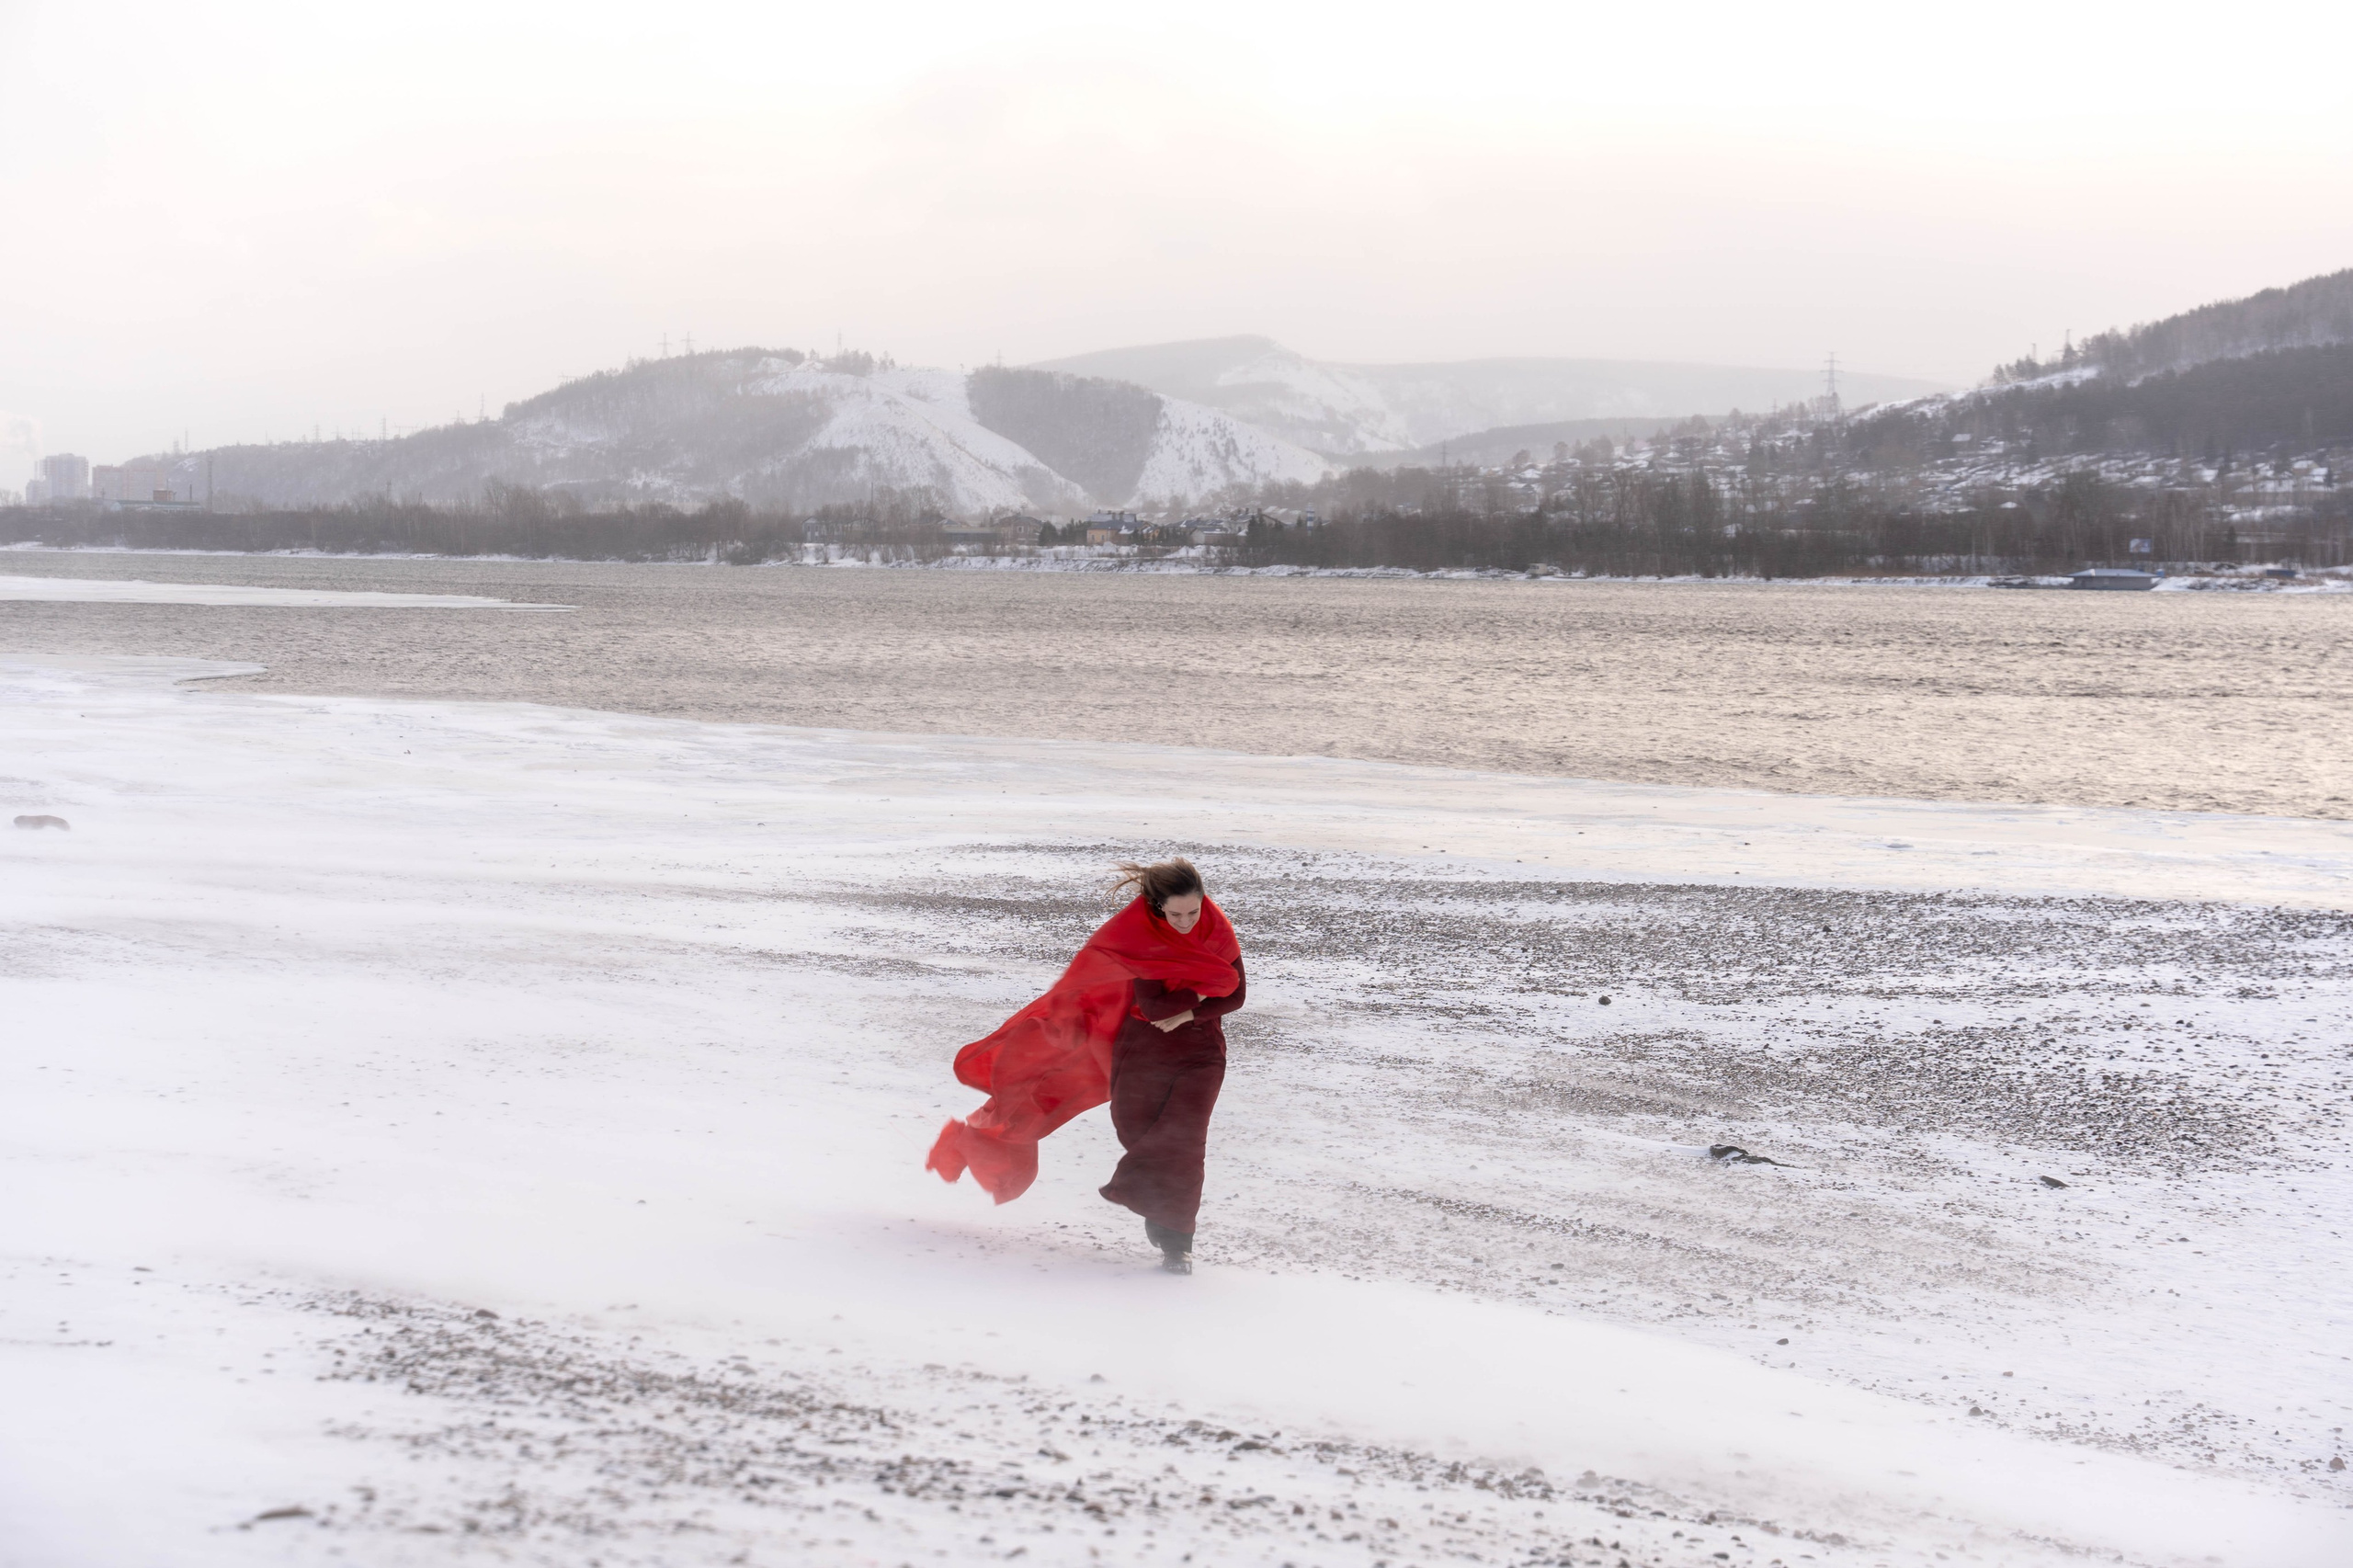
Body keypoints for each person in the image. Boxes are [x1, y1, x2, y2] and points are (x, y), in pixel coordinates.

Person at [926, 858, 1245, 1274]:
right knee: (1137, 1130)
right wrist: (1210, 991)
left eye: (1194, 912)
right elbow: (1153, 1006)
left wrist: (1191, 1010)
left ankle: (1176, 1241)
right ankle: (1159, 1209)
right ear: (1156, 908)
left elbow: (1237, 996)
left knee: (1185, 1139)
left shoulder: (1217, 931)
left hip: (1201, 1051)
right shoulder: (1140, 937)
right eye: (1175, 914)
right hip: (1141, 1050)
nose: (1186, 922)